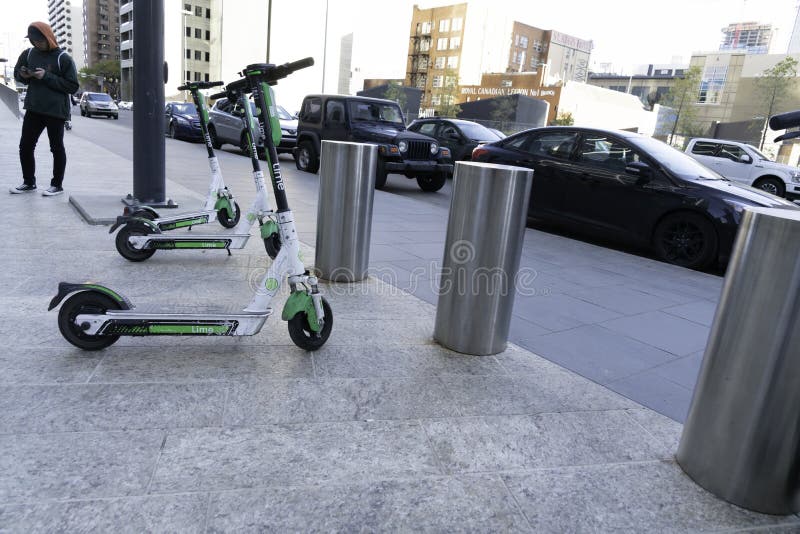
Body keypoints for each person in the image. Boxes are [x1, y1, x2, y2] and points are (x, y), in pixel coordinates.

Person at [10, 22, 79, 196]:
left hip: (55, 111)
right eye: (33, 41)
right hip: (34, 108)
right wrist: (23, 76)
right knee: (25, 146)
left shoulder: (63, 58)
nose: (37, 44)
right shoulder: (29, 53)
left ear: (49, 37)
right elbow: (17, 73)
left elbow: (72, 86)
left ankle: (57, 185)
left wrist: (46, 76)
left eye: (40, 41)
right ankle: (28, 182)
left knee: (56, 148)